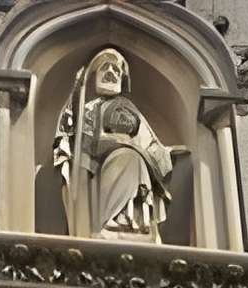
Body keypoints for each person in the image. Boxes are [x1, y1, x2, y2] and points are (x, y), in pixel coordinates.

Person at [55, 48, 173, 240]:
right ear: (95, 77)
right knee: (127, 159)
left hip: (135, 161)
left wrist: (166, 154)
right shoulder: (89, 108)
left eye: (116, 70)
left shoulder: (130, 109)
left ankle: (133, 221)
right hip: (103, 169)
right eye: (105, 68)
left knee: (134, 159)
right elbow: (78, 142)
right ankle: (109, 219)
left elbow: (148, 141)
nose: (111, 72)